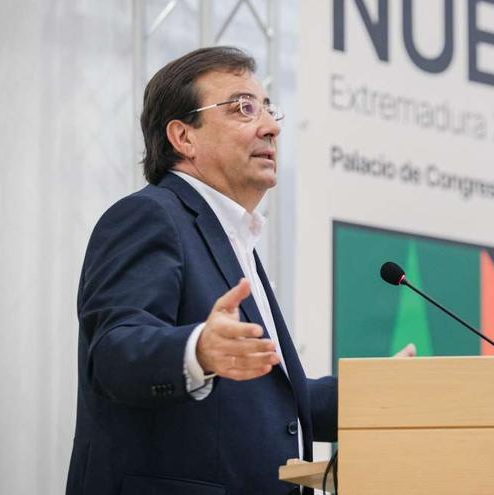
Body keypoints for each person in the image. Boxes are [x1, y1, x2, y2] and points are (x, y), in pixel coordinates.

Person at [66, 46, 363, 495]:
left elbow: (276, 400)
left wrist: (377, 395)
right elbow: (113, 353)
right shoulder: (150, 216)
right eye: (244, 108)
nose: (271, 126)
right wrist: (197, 349)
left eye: (267, 108)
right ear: (184, 137)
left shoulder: (233, 238)